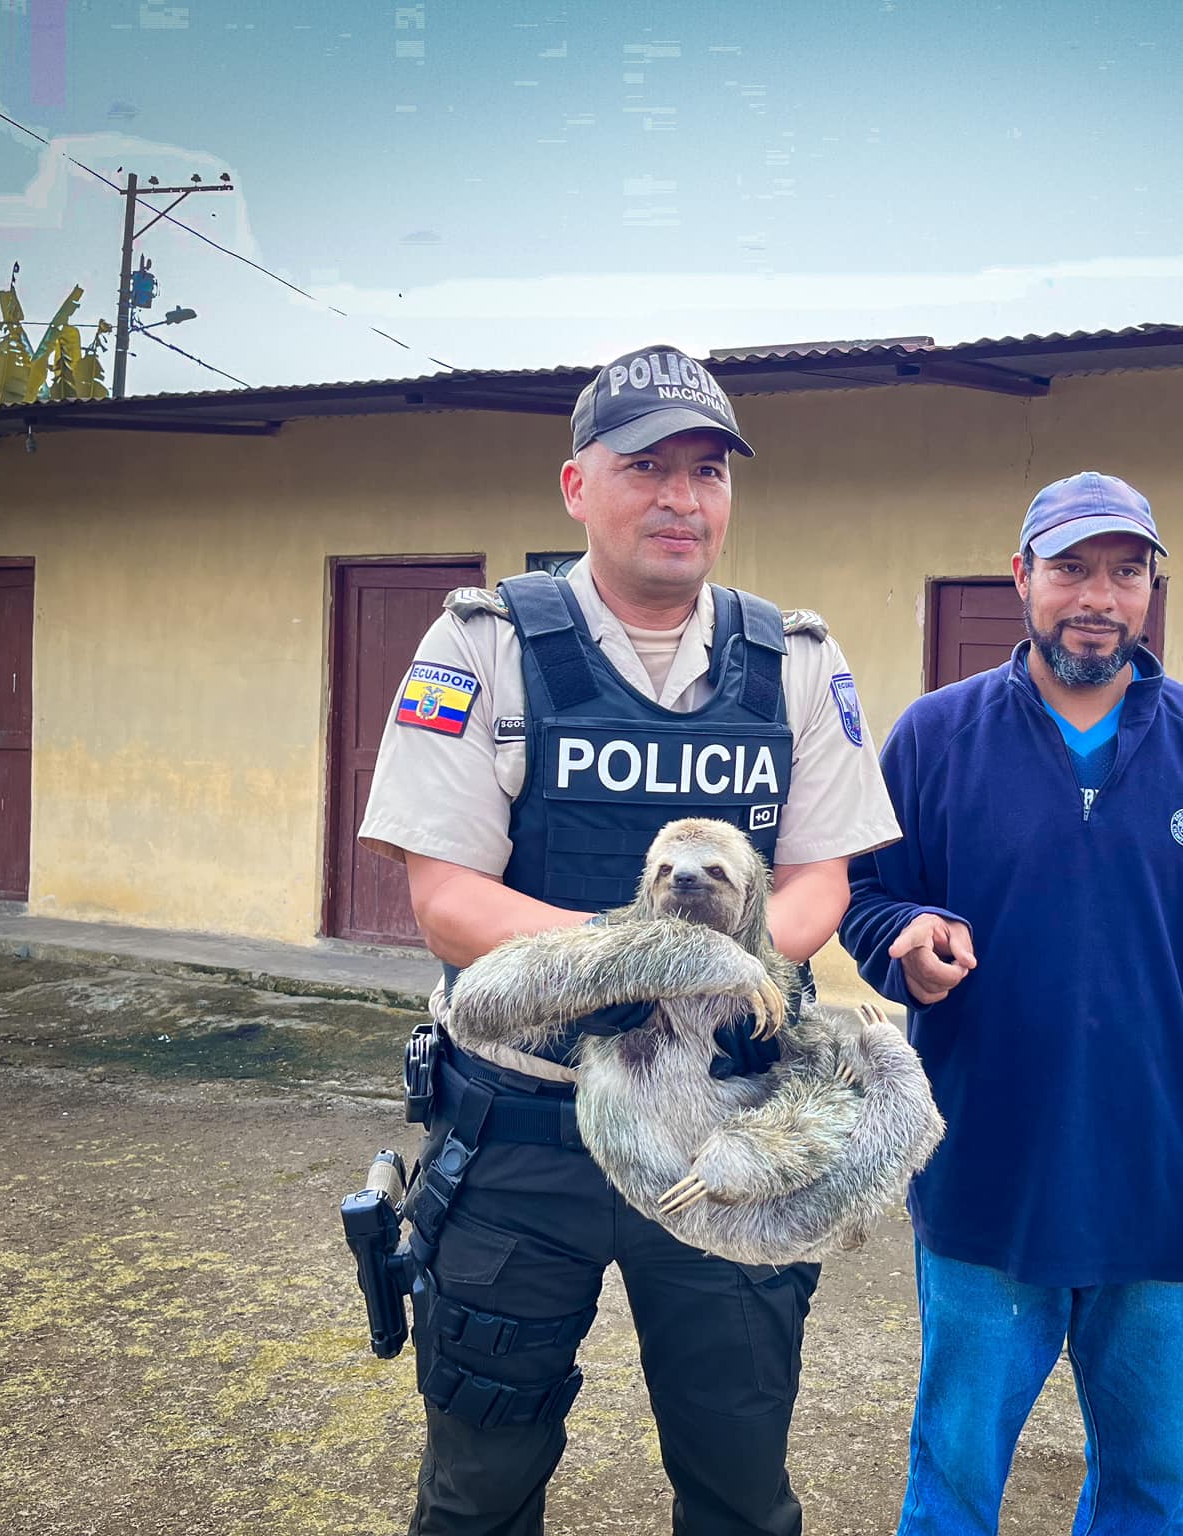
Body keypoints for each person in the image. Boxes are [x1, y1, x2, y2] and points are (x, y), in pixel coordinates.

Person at [358, 344, 900, 1536]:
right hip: (521, 1133)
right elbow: (445, 898)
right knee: (478, 1492)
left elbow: (819, 880)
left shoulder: (794, 662)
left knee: (739, 1488)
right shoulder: (482, 646)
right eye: (644, 467)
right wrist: (655, 963)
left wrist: (734, 971)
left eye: (706, 471)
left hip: (724, 1130)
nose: (679, 498)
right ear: (575, 486)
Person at [840, 471, 1183, 1536]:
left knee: (1147, 1490)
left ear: (1150, 588)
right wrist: (900, 938)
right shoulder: (934, 738)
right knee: (952, 1486)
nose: (1097, 597)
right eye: (1070, 569)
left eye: (1125, 571)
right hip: (982, 1182)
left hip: (1163, 1194)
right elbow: (861, 893)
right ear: (1021, 577)